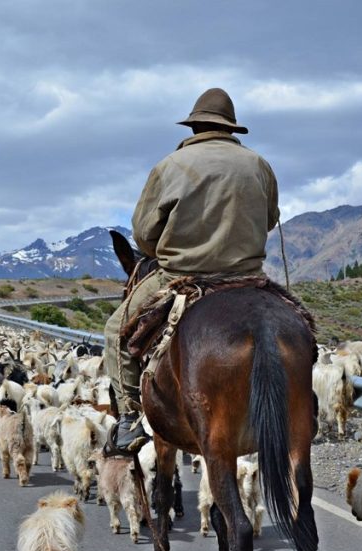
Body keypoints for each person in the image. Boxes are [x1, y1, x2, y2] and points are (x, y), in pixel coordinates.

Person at [103, 88, 280, 454]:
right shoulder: (259, 165)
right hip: (246, 276)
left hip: (180, 274)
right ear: (231, 127)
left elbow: (143, 233)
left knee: (115, 331)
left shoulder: (171, 166)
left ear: (195, 124)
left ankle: (129, 418)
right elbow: (270, 220)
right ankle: (302, 403)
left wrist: (170, 248)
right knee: (299, 325)